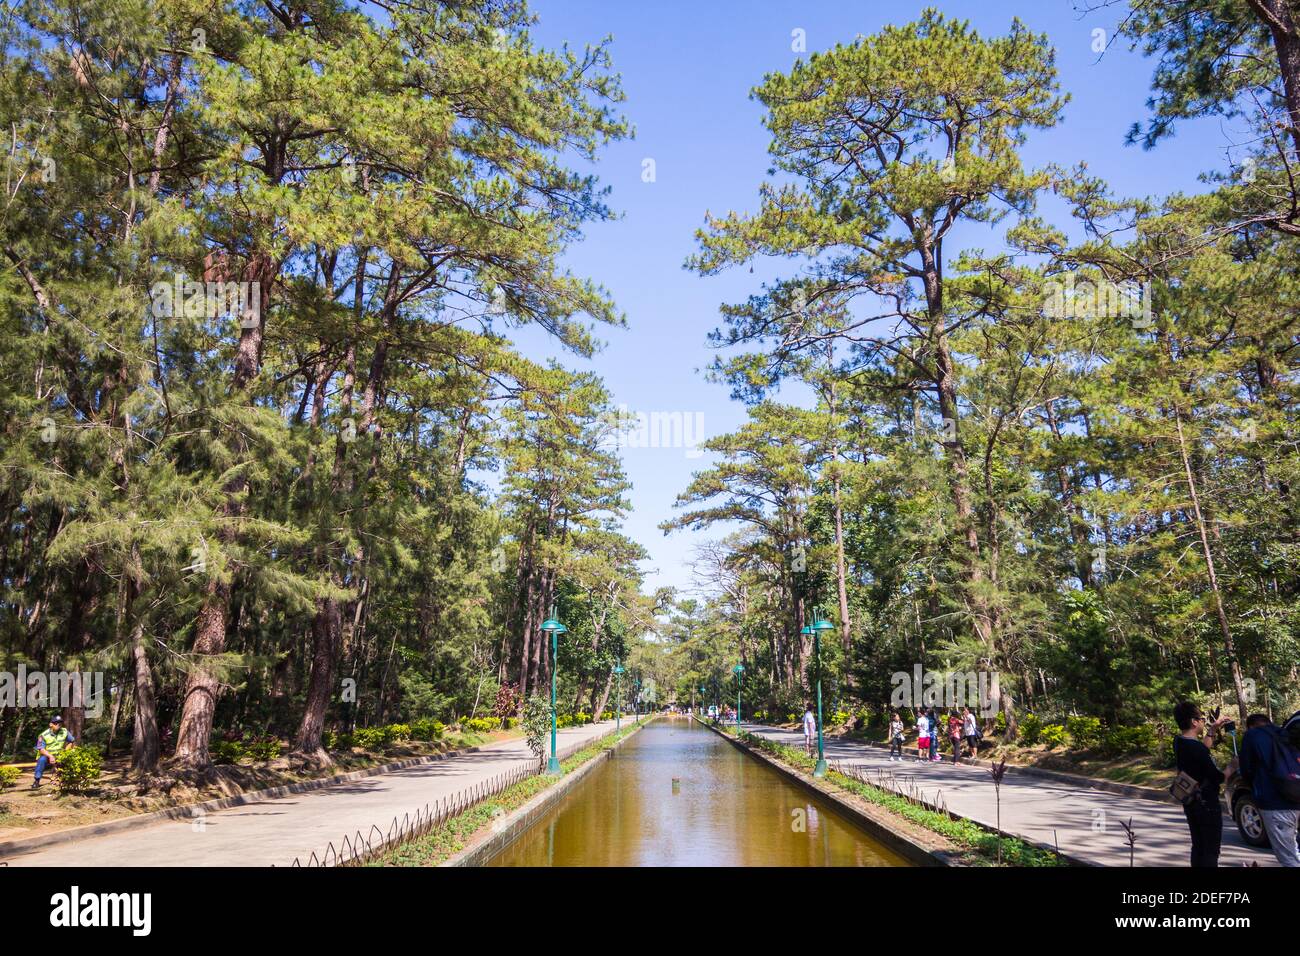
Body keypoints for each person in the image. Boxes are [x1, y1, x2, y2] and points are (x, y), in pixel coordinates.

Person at [1172, 701, 1230, 867]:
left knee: (1198, 846)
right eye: (1202, 718)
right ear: (1194, 721)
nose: (1204, 721)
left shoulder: (1179, 742)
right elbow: (1217, 777)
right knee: (1210, 850)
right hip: (1207, 804)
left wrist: (1212, 730)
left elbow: (1202, 751)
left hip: (1192, 801)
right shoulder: (1195, 748)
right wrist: (1231, 768)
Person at [1239, 713, 1300, 867]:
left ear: (1250, 726)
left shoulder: (1252, 736)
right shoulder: (1284, 733)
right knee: (1294, 851)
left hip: (1275, 803)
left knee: (1288, 857)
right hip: (1296, 796)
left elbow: (1246, 770)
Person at [32, 714, 75, 789]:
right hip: (46, 756)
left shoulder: (64, 731)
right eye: (56, 723)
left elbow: (71, 741)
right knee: (42, 760)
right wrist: (50, 756)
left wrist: (66, 751)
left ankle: (67, 779)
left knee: (70, 758)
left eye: (60, 723)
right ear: (51, 724)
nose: (58, 724)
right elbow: (41, 749)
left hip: (59, 755)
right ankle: (37, 780)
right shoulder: (43, 735)